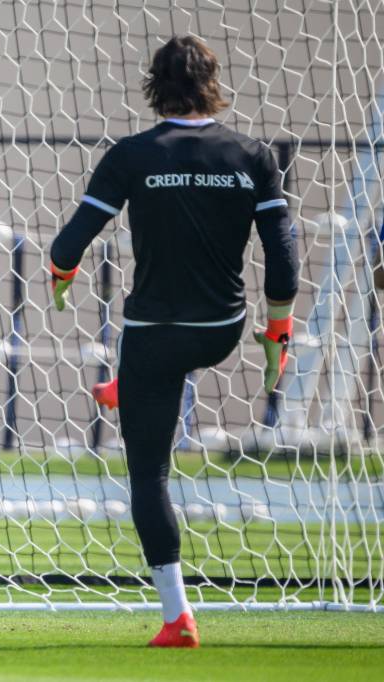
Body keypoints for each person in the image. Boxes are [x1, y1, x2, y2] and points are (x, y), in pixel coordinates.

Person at [48, 36, 299, 647]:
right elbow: (284, 254)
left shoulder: (132, 154)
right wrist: (277, 331)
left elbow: (67, 244)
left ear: (154, 85)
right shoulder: (252, 154)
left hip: (155, 336)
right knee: (155, 373)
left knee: (148, 475)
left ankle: (177, 617)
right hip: (222, 330)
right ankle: (128, 387)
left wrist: (61, 277)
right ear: (213, 82)